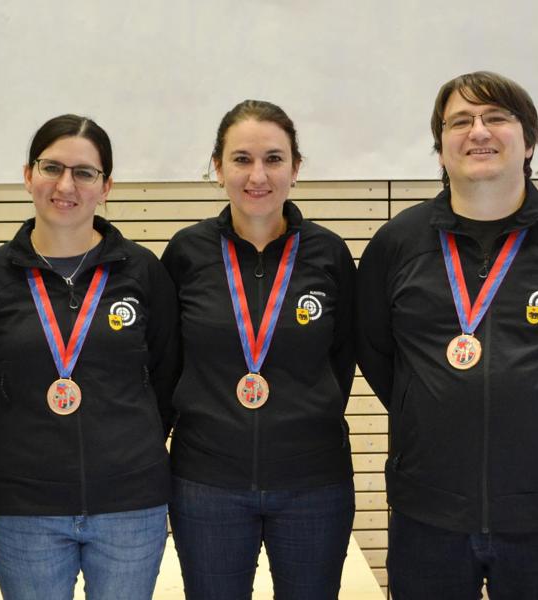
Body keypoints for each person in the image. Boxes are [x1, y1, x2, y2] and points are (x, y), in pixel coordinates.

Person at [355, 71, 538, 598]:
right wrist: (430, 409)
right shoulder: (397, 244)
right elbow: (376, 353)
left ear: (528, 140)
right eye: (460, 121)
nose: (478, 131)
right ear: (440, 148)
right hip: (428, 510)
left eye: (496, 118)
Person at [0, 114, 179, 600]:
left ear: (106, 186)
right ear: (27, 174)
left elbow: (167, 379)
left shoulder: (142, 272)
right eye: (51, 167)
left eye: (84, 172)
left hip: (130, 504)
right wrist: (17, 464)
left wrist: (130, 449)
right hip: (26, 509)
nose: (66, 185)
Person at [161, 100, 357, 599]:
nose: (258, 175)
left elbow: (344, 356)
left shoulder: (329, 254)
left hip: (314, 481)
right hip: (208, 482)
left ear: (296, 168)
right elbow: (166, 364)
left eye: (273, 158)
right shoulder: (186, 253)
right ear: (217, 167)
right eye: (241, 159)